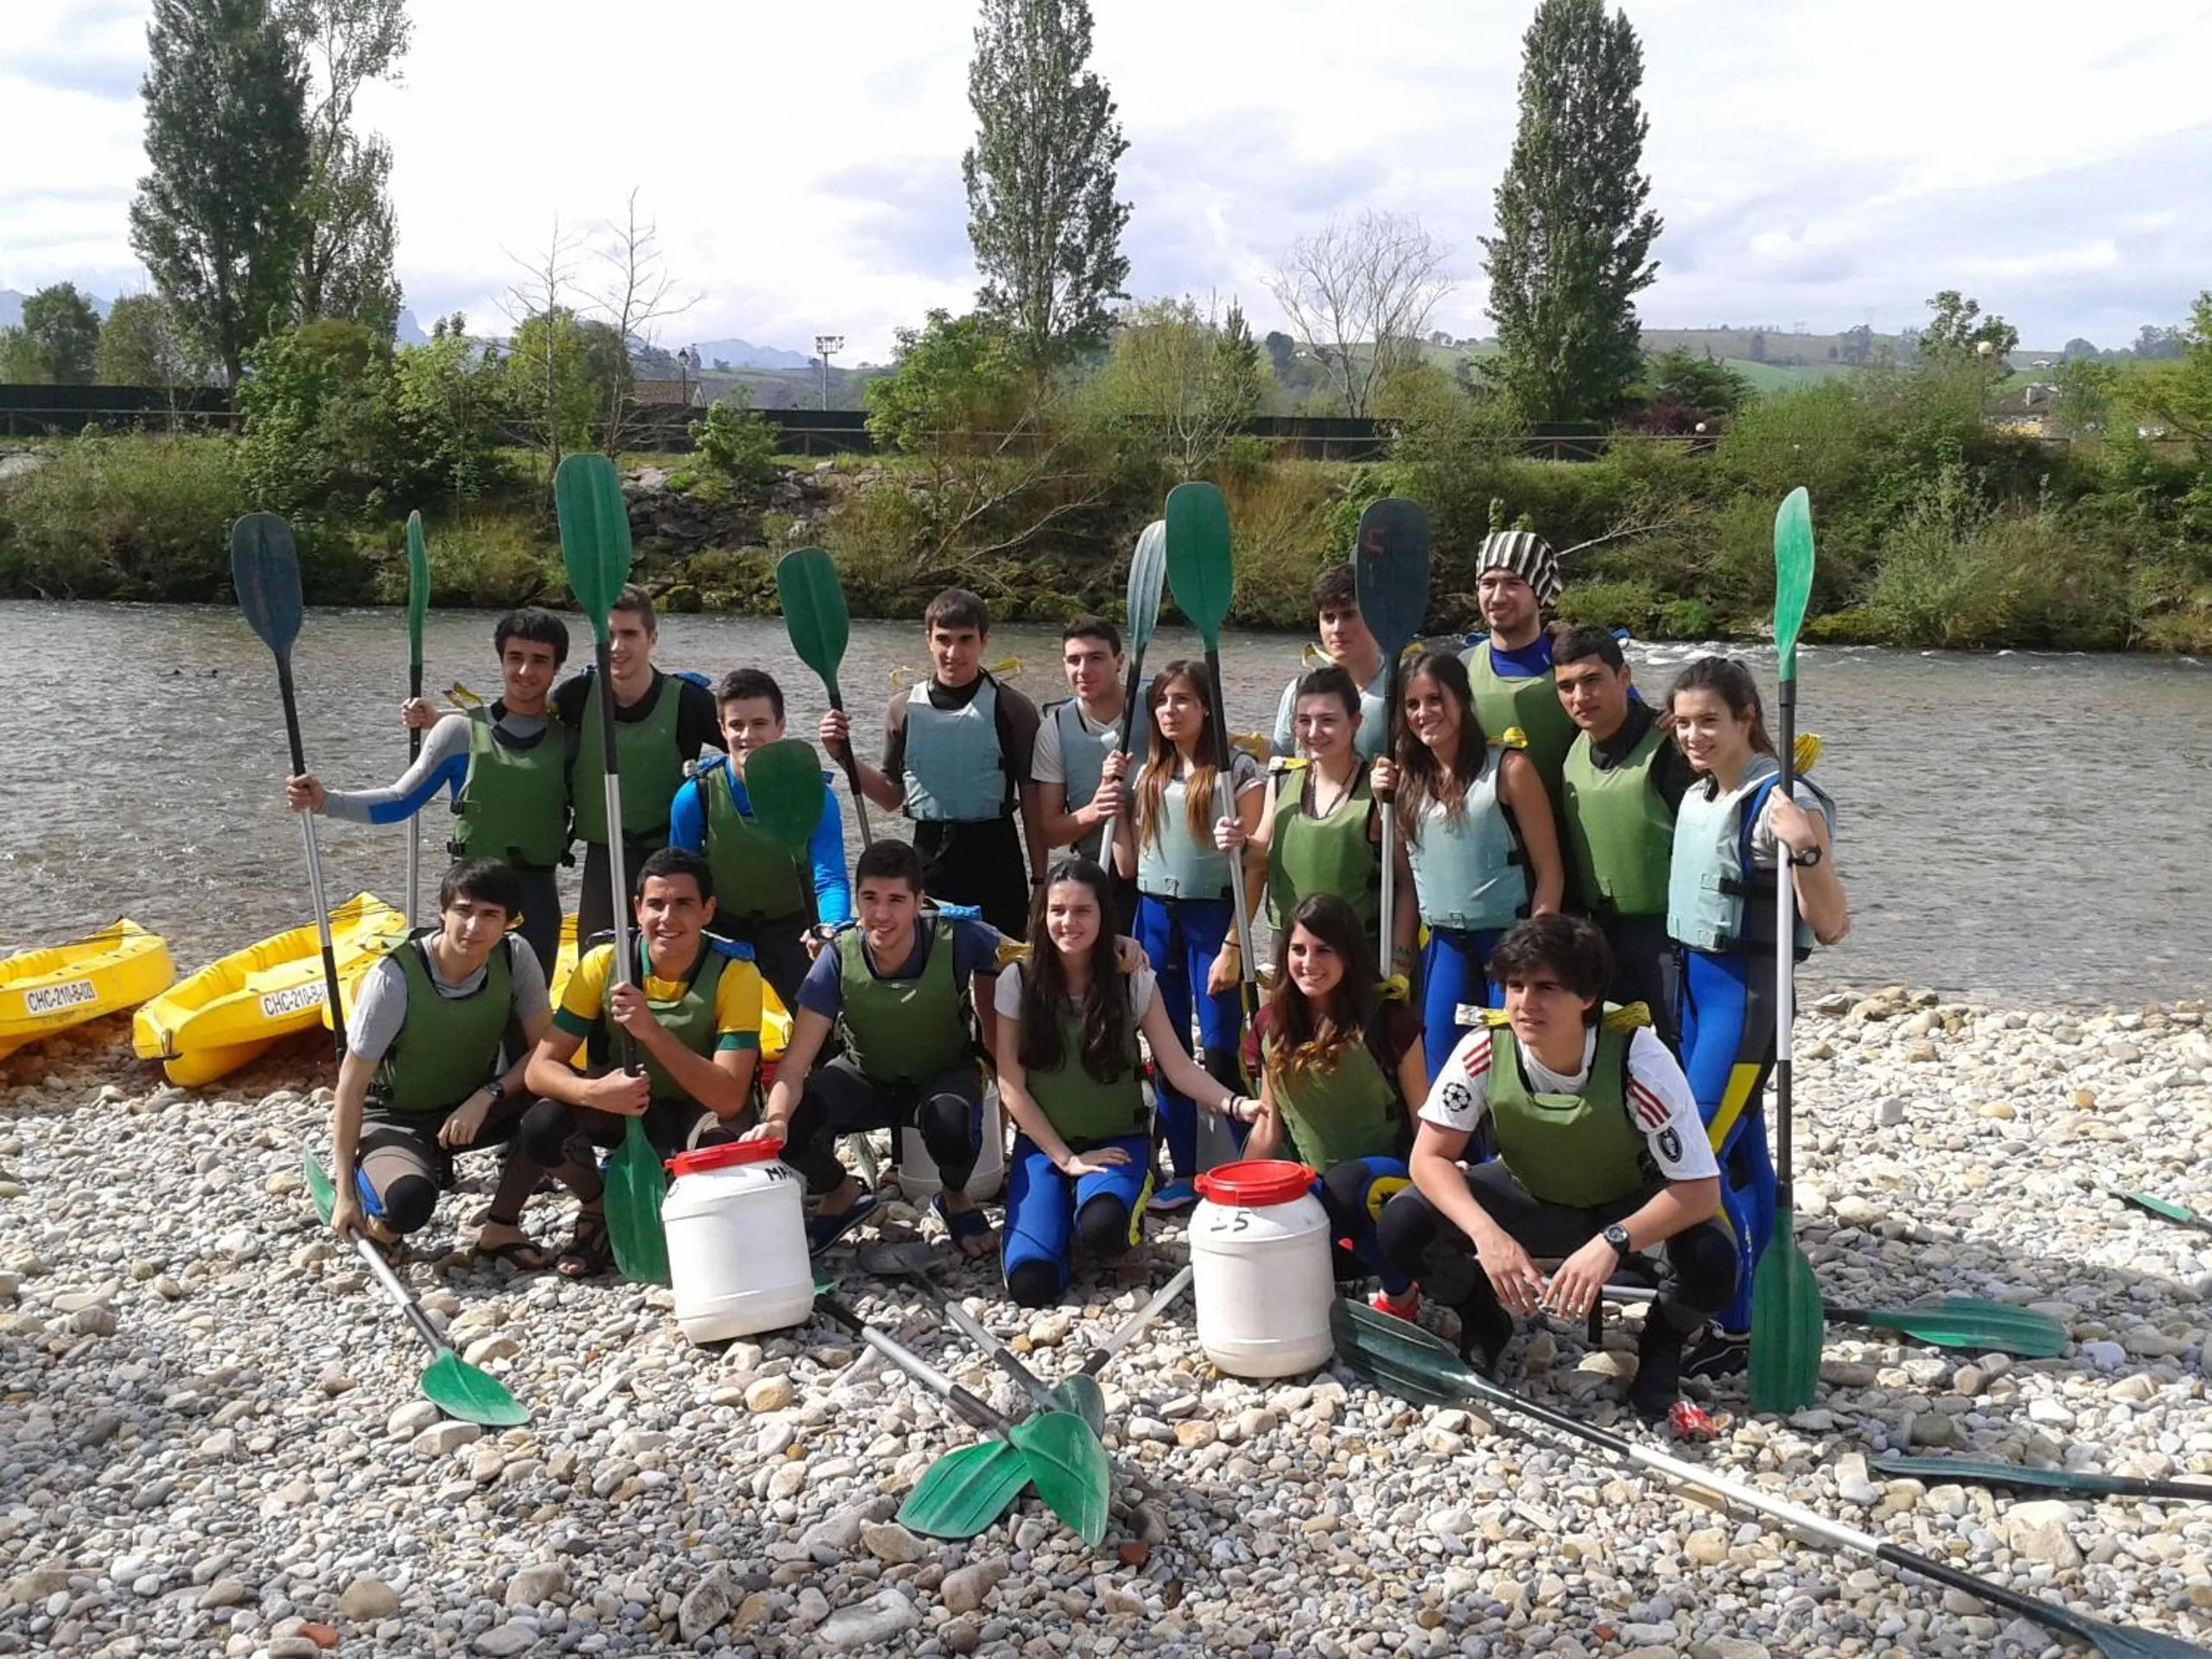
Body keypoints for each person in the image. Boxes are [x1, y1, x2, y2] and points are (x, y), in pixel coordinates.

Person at [1378, 914, 1738, 1431]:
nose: (1525, 1003)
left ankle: (1659, 1349)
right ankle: (1484, 1318)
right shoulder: (1485, 1046)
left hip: (1627, 1204)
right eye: (1516, 986)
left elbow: (1700, 1191)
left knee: (1712, 1259)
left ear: (1587, 997)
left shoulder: (1641, 1059)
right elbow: (1429, 1157)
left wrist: (1613, 1242)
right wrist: (1488, 1236)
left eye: (1547, 988)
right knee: (1401, 1225)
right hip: (1531, 1193)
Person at [1664, 655, 1848, 1377]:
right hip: (1692, 993)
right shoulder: (1703, 794)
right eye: (1682, 723)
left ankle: (1735, 1323)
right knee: (1740, 1159)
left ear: (1747, 718)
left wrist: (1802, 844)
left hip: (1745, 1004)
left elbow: (1831, 925)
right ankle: (1752, 1306)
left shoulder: (1787, 801)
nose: (1694, 736)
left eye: (1710, 720)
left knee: (1691, 1159)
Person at [994, 857, 1255, 1306]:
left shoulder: (1132, 979)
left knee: (1104, 1230)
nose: (1068, 923)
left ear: (1104, 916)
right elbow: (1010, 1086)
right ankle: (1058, 1219)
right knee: (1030, 1286)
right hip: (1045, 1146)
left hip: (1117, 1140)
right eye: (1057, 911)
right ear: (1042, 915)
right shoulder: (1017, 980)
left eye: (1082, 911)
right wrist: (1067, 1159)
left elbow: (1178, 1067)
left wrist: (1236, 1104)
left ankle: (1104, 1212)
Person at [749, 839, 1014, 1258]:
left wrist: (1116, 950)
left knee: (953, 1123)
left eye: (896, 900)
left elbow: (1043, 954)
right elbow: (794, 1064)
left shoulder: (958, 936)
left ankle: (955, 1197)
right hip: (865, 1076)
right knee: (793, 1124)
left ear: (919, 902)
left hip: (942, 1074)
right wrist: (776, 1120)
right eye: (870, 899)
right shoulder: (837, 957)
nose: (882, 914)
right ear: (856, 900)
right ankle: (841, 1193)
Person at [286, 607, 573, 976]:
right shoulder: (458, 731)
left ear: (556, 667)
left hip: (536, 899)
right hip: (469, 896)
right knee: (465, 1006)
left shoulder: (570, 742)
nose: (524, 671)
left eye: (539, 660)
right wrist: (325, 801)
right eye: (514, 658)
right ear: (500, 660)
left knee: (527, 1018)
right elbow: (399, 801)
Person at [519, 847, 762, 1278]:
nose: (667, 918)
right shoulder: (604, 962)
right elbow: (540, 1070)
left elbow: (727, 1096)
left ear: (708, 911)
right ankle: (597, 1205)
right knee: (542, 1125)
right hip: (621, 1104)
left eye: (684, 904)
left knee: (722, 1143)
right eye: (656, 904)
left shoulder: (735, 973)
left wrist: (651, 1030)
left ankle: (689, 1212)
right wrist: (594, 1092)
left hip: (697, 1108)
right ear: (636, 908)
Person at [327, 858, 556, 1265]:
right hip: (398, 1117)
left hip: (474, 1106)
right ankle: (381, 1215)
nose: (473, 927)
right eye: (463, 911)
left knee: (557, 1112)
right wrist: (343, 1192)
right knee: (410, 1202)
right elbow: (351, 1085)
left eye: (490, 915)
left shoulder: (515, 957)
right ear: (442, 912)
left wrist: (489, 1093)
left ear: (509, 922)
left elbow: (546, 1052)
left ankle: (501, 1225)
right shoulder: (393, 979)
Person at [1111, 659, 1267, 1210]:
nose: (1170, 711)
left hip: (1211, 920)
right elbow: (1127, 868)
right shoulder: (1149, 774)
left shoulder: (1239, 772)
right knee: (1166, 1043)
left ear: (1206, 708)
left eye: (1182, 700)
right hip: (1155, 916)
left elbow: (1256, 867)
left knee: (1223, 1044)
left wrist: (1231, 944)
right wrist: (1117, 809)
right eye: (1161, 702)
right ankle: (1184, 1170)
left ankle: (1248, 1160)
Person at [1374, 650, 1563, 1081]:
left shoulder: (1510, 769)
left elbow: (1550, 871)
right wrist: (1401, 965)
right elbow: (1405, 880)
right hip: (1444, 946)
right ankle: (1457, 1152)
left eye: (1435, 700)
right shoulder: (1404, 783)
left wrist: (1534, 956)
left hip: (1509, 942)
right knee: (1446, 1074)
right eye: (1412, 705)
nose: (1424, 713)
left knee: (1514, 1071)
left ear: (1462, 699)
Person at [819, 588, 1042, 938]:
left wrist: (1041, 880)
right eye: (944, 639)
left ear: (984, 641)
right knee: (932, 969)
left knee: (1000, 972)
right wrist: (841, 755)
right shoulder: (903, 708)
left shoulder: (1014, 709)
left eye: (966, 640)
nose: (953, 652)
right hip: (929, 856)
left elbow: (1032, 801)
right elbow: (891, 796)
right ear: (928, 640)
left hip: (996, 854)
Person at [1244, 894, 1427, 1315]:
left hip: (1388, 1183)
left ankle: (1401, 1293)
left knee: (1348, 1187)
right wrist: (1238, 1198)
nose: (1309, 963)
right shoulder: (1272, 1023)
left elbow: (1423, 1119)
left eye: (1325, 950)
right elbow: (1269, 1125)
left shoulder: (1390, 1019)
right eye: (1298, 950)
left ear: (1349, 955)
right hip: (1317, 1182)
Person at [551, 584, 724, 946]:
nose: (617, 647)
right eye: (608, 635)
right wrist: (443, 718)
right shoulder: (575, 697)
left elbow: (748, 747)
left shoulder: (690, 702)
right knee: (598, 959)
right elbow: (512, 720)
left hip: (672, 856)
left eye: (629, 634)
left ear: (652, 638)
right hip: (604, 856)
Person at [1553, 625, 1699, 1050]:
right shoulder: (1571, 750)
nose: (1580, 697)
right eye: (1567, 687)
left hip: (1667, 937)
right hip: (1600, 937)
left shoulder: (1671, 747)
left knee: (1680, 1048)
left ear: (1624, 678)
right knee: (1608, 1057)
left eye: (1592, 680)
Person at [668, 667, 849, 1010]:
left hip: (795, 931)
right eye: (736, 725)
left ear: (780, 726)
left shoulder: (816, 798)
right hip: (721, 930)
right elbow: (679, 887)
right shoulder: (695, 797)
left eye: (760, 724)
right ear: (722, 730)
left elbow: (829, 878)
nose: (747, 735)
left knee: (826, 1036)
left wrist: (831, 930)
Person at [1217, 666, 1383, 968]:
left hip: (1353, 951)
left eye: (1328, 720)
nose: (1314, 732)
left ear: (1355, 722)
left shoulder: (1378, 792)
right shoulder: (1281, 780)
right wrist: (1238, 843)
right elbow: (1262, 856)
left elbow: (1404, 885)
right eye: (1304, 721)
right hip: (1290, 946)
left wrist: (1400, 963)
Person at [1459, 531, 1578, 817]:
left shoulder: (1577, 664)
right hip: (1492, 842)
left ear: (1538, 593)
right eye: (1488, 584)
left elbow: (1636, 725)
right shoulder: (1461, 668)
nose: (1498, 597)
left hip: (1568, 831)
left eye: (1513, 583)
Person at [1032, 617, 1135, 931]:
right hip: (1098, 871)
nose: (1083, 670)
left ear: (1119, 662)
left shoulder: (1159, 708)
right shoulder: (1054, 729)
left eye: (1095, 658)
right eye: (1073, 660)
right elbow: (1049, 832)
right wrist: (1095, 811)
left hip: (1156, 871)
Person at [1270, 564, 1390, 760]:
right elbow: (1281, 761)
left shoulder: (1404, 690)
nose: (1337, 628)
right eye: (1328, 617)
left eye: (1348, 615)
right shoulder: (1299, 691)